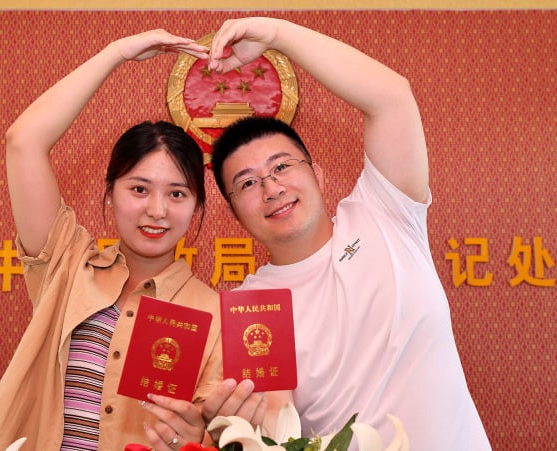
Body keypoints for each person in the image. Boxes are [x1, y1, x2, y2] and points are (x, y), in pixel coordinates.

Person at [201, 17, 492, 450]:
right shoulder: (249, 307)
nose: (272, 188)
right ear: (234, 213)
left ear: (316, 173)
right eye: (247, 183)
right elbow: (278, 428)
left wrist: (278, 34)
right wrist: (232, 426)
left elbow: (392, 98)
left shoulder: (383, 214)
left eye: (282, 166)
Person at [0, 30, 221, 451]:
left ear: (196, 206)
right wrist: (115, 53)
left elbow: (213, 434)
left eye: (177, 193)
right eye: (139, 189)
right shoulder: (67, 264)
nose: (157, 210)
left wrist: (198, 439)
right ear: (110, 193)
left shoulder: (213, 316)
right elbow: (24, 140)